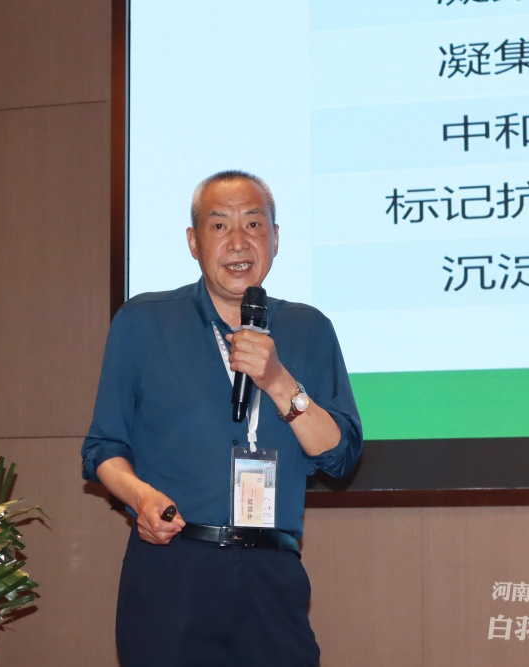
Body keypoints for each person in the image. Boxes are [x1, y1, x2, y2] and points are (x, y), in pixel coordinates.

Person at [81, 170, 363, 666]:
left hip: (271, 572)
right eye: (219, 226)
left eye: (254, 224)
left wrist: (278, 381)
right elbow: (104, 448)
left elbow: (339, 456)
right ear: (194, 242)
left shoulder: (310, 328)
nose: (238, 241)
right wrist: (141, 497)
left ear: (276, 238)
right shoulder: (143, 322)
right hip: (173, 567)